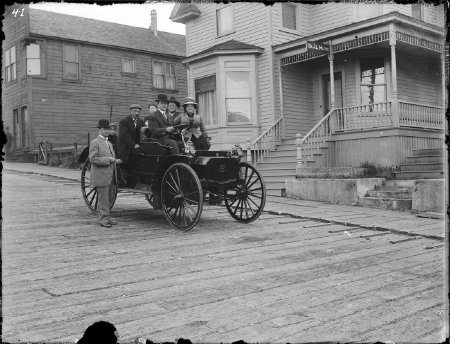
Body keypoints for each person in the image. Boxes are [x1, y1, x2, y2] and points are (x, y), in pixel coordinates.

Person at [89, 119, 122, 228]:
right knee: (103, 200)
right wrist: (109, 159)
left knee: (109, 199)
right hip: (101, 176)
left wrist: (115, 160)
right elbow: (93, 159)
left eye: (108, 129)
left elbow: (112, 158)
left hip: (110, 175)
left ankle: (106, 218)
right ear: (100, 130)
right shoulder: (95, 142)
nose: (107, 131)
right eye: (105, 129)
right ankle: (103, 220)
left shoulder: (109, 143)